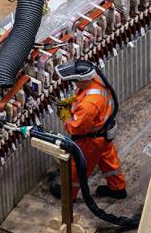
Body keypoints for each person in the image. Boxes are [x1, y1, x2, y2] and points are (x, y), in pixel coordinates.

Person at [50, 59, 127, 200]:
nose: (74, 84)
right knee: (109, 161)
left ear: (83, 80)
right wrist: (74, 99)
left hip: (90, 141)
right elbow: (90, 96)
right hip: (104, 133)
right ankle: (117, 188)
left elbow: (77, 129)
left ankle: (68, 194)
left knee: (77, 169)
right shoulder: (97, 81)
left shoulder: (88, 105)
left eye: (74, 80)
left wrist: (65, 117)